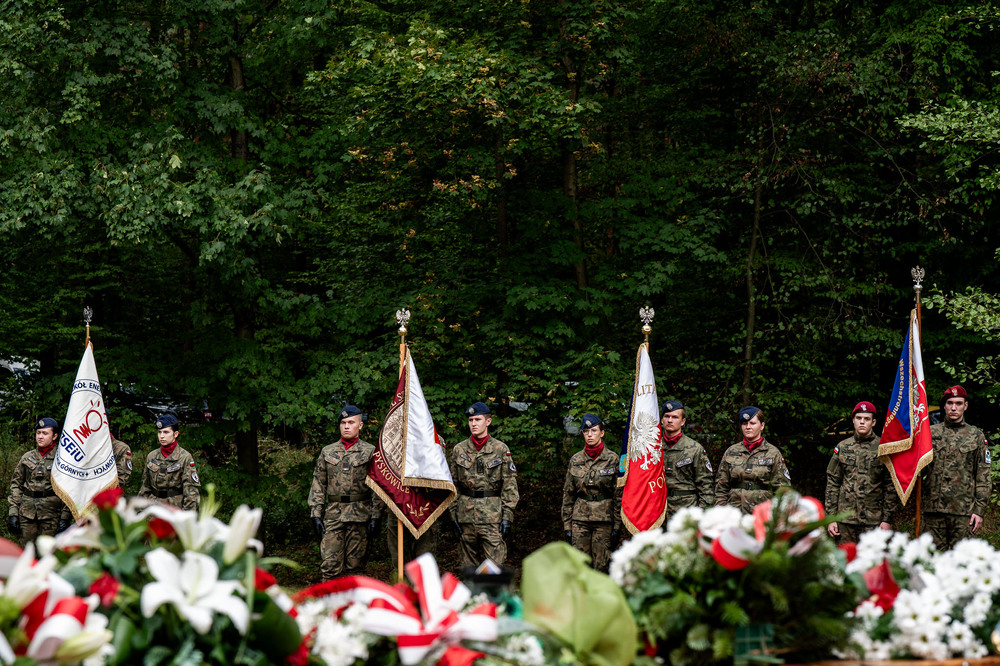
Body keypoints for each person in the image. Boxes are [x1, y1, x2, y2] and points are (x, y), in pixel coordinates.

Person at [308, 405, 382, 579]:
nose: (346, 426)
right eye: (343, 423)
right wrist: (315, 514)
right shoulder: (328, 451)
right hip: (334, 515)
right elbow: (319, 483)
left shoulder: (370, 452)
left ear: (360, 425)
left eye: (351, 422)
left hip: (360, 516)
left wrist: (376, 516)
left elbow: (377, 487)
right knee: (329, 566)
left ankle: (355, 605)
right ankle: (329, 605)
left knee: (356, 569)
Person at [448, 402, 519, 569]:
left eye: (478, 419)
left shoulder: (500, 449)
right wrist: (453, 516)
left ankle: (490, 595)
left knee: (495, 567)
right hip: (465, 515)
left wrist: (507, 517)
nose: (473, 423)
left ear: (488, 422)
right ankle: (472, 595)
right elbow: (452, 485)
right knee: (468, 568)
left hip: (492, 517)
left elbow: (509, 486)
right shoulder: (459, 450)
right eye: (471, 420)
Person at [921, 385, 991, 550]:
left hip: (963, 511)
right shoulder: (929, 434)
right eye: (950, 403)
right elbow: (918, 470)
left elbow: (983, 476)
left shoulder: (976, 436)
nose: (954, 407)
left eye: (958, 403)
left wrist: (979, 510)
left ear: (965, 406)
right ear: (944, 405)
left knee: (961, 562)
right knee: (932, 561)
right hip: (933, 511)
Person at [825, 401, 895, 543]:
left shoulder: (883, 448)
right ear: (853, 421)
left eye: (867, 419)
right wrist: (831, 517)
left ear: (873, 422)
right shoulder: (843, 447)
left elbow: (891, 486)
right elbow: (833, 483)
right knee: (845, 561)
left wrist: (887, 519)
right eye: (859, 418)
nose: (862, 422)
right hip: (845, 520)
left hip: (873, 521)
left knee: (872, 563)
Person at [561, 414, 621, 572]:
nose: (589, 435)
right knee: (579, 566)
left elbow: (618, 495)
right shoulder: (576, 460)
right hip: (580, 520)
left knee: (602, 565)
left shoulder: (613, 460)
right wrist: (567, 526)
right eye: (586, 431)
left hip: (604, 520)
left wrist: (617, 525)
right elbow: (568, 494)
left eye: (594, 430)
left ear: (602, 433)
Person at [8, 417, 72, 546]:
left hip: (51, 516)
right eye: (38, 433)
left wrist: (65, 517)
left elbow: (70, 488)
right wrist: (13, 513)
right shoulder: (27, 457)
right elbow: (16, 484)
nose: (40, 437)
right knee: (26, 553)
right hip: (26, 514)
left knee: (48, 555)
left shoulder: (63, 459)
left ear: (54, 436)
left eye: (45, 433)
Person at [714, 406, 791, 513]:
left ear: (762, 425)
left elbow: (782, 489)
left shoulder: (773, 453)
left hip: (762, 514)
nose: (748, 427)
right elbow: (721, 487)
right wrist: (721, 512)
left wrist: (777, 516)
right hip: (734, 513)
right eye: (744, 424)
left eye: (752, 423)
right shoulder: (731, 452)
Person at [659, 400, 714, 519]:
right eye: (666, 416)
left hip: (685, 511)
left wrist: (702, 515)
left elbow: (705, 485)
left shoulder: (694, 449)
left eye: (674, 417)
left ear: (682, 421)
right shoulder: (652, 448)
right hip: (657, 511)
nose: (670, 420)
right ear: (662, 420)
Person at [138, 414, 201, 511]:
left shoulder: (184, 457)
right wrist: (139, 512)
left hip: (174, 509)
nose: (162, 436)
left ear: (175, 434)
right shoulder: (152, 456)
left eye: (166, 432)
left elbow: (191, 492)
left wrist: (186, 518)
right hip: (153, 508)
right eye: (159, 432)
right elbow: (145, 488)